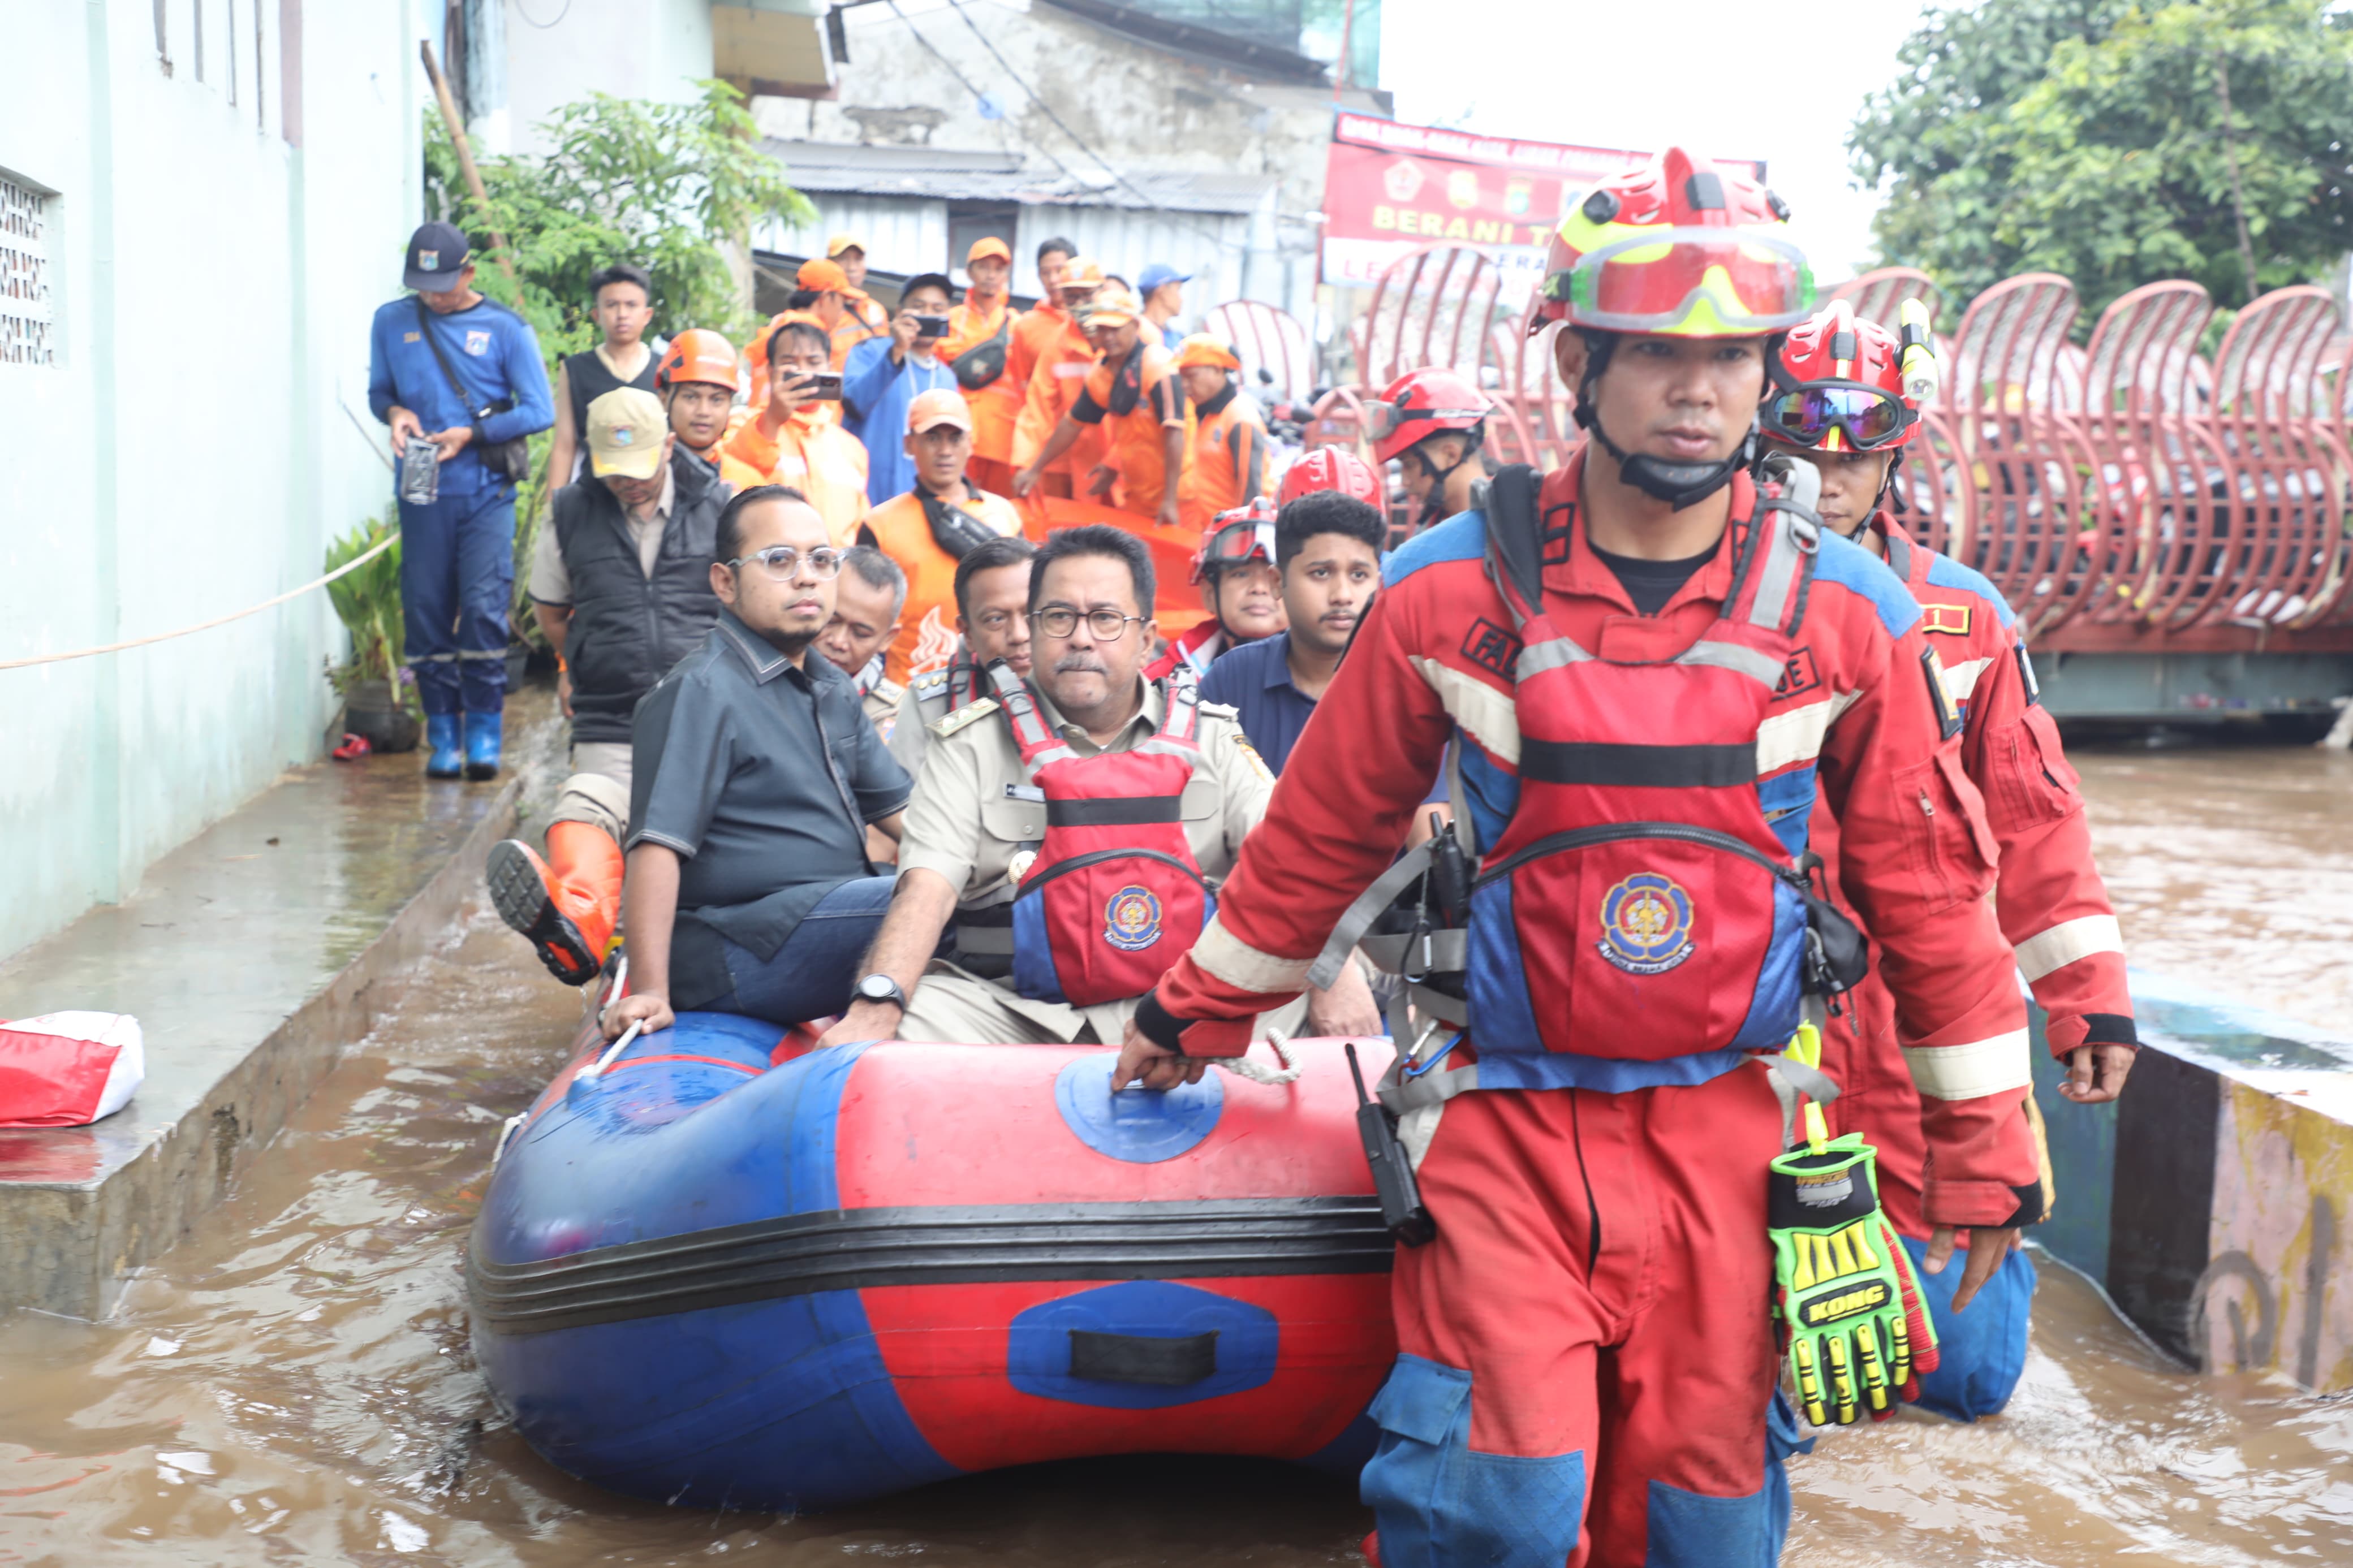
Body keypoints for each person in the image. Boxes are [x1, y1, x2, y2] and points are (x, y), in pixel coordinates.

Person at [1113, 148, 2046, 1568]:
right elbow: (1321, 838)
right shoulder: (1442, 589)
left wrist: (1984, 1144)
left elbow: (1931, 892)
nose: (1701, 391)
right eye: (1663, 355)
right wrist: (1196, 1010)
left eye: (1733, 357)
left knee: (1708, 1530)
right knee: (1498, 1510)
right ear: (1581, 361)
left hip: (1734, 1134)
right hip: (1501, 1123)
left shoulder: (1850, 616)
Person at [1762, 299, 2137, 1421]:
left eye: (1855, 457)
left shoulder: (1963, 618)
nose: (1827, 482)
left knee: (1964, 1382)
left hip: (1933, 1009)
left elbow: (2032, 819)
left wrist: (2088, 1003)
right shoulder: (1709, 600)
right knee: (1767, 1363)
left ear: (1892, 458)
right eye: (1801, 453)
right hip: (1763, 1007)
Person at [815, 525, 1377, 1049]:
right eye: (1058, 617)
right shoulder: (968, 745)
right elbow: (925, 888)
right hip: (1011, 1010)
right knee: (906, 1027)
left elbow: (1287, 866)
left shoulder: (1214, 738)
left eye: (1106, 618)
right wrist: (876, 1004)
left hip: (1187, 1002)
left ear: (1148, 640)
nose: (1080, 638)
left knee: (1333, 996)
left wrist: (1338, 976)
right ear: (1031, 631)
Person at [601, 487, 911, 1040]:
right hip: (741, 945)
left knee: (956, 882)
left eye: (821, 560)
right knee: (926, 895)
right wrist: (649, 991)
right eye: (779, 560)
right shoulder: (701, 689)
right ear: (725, 582)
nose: (806, 577)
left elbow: (905, 815)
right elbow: (656, 846)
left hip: (827, 915)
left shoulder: (830, 685)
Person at [486, 386, 733, 984]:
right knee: (590, 806)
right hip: (611, 713)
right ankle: (580, 927)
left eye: (642, 467)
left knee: (700, 837)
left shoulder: (721, 504)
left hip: (704, 714)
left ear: (670, 445)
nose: (630, 483)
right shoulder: (571, 510)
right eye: (614, 472)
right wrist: (585, 660)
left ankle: (696, 957)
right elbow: (551, 612)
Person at [368, 220, 554, 780]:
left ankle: (483, 731)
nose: (433, 295)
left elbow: (539, 410)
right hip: (422, 486)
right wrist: (397, 415)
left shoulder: (505, 328)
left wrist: (472, 434)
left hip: (485, 491)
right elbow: (380, 391)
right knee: (424, 611)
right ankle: (442, 734)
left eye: (444, 283)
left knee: (480, 609)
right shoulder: (391, 321)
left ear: (470, 272)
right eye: (423, 284)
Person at [1196, 490, 1385, 772]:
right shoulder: (1230, 680)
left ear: (1379, 584)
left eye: (1359, 575)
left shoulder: (1404, 685)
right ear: (1277, 582)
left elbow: (1430, 813)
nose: (1343, 596)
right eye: (1321, 573)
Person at [857, 388, 1026, 685]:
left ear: (971, 443)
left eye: (955, 437)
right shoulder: (879, 525)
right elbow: (861, 620)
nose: (945, 450)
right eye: (932, 438)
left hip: (999, 683)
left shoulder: (1006, 515)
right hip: (910, 687)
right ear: (910, 444)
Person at [1014, 288, 1187, 529]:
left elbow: (1175, 433)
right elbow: (1072, 424)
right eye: (1102, 329)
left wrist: (1170, 499)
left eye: (1115, 329)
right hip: (1138, 493)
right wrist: (1035, 468)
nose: (1108, 337)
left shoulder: (1158, 366)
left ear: (1135, 326)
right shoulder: (1102, 374)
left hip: (1180, 495)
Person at [887, 534, 1035, 780]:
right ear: (967, 633)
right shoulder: (932, 706)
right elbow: (901, 806)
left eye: (1030, 614)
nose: (1019, 635)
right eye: (996, 619)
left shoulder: (1088, 692)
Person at [723, 317, 870, 545]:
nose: (804, 372)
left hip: (834, 574)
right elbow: (732, 481)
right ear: (771, 371)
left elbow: (860, 528)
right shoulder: (742, 424)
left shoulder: (851, 447)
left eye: (813, 362)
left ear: (829, 369)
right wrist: (771, 420)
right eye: (790, 363)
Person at [843, 273, 963, 504]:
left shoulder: (947, 378)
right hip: (866, 493)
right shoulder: (870, 351)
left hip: (919, 502)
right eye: (919, 307)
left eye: (937, 308)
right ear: (899, 314)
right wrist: (896, 352)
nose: (928, 315)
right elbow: (853, 403)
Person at [1145, 499, 1286, 680]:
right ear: (1209, 594)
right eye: (1241, 574)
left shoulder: (1328, 677)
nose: (1259, 588)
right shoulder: (1163, 680)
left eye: (1273, 577)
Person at [1012, 253, 1111, 502]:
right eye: (1073, 297)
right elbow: (1037, 408)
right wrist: (1025, 463)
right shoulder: (1058, 346)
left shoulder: (1133, 337)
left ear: (1103, 290)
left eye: (1088, 295)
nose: (1081, 304)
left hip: (1123, 462)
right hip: (1072, 458)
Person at [548, 264, 658, 485]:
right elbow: (564, 446)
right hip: (593, 492)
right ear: (596, 314)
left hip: (652, 493)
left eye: (631, 305)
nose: (622, 314)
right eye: (612, 305)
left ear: (647, 315)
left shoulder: (664, 369)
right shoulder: (575, 370)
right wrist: (554, 510)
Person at [1368, 366, 1490, 533]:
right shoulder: (1434, 528)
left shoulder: (1516, 522)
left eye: (1410, 464)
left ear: (1450, 455)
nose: (1405, 482)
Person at [1173, 335, 1271, 532]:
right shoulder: (1203, 412)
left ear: (1218, 370)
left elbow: (1251, 497)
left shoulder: (1240, 419)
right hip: (1204, 531)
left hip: (1227, 537)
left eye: (1191, 376)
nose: (1184, 385)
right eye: (1181, 378)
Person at [817, 543, 910, 738]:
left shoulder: (894, 715)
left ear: (888, 639)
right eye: (830, 621)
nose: (839, 642)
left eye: (860, 633)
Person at [655, 328, 763, 487]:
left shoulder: (747, 483)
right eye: (691, 397)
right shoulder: (644, 478)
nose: (704, 411)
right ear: (664, 400)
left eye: (717, 400)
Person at [794, 257, 877, 370]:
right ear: (826, 297)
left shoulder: (785, 326)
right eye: (842, 301)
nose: (842, 311)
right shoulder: (805, 335)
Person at [826, 234, 893, 336]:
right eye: (843, 259)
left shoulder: (875, 310)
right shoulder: (822, 308)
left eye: (858, 259)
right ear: (829, 264)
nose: (851, 267)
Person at [1139, 262, 1190, 349]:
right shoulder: (1138, 331)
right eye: (1178, 289)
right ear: (1162, 292)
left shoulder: (1177, 337)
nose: (1181, 299)